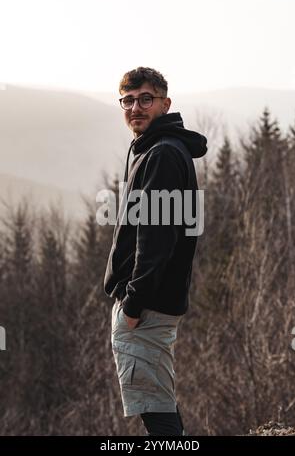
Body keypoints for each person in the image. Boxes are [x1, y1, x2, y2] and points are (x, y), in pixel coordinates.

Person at [104, 67, 207, 436]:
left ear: (165, 104)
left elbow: (157, 241)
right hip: (155, 303)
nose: (136, 107)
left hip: (147, 307)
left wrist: (133, 305)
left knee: (156, 411)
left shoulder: (162, 154)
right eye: (128, 100)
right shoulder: (158, 150)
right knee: (159, 401)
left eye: (146, 99)